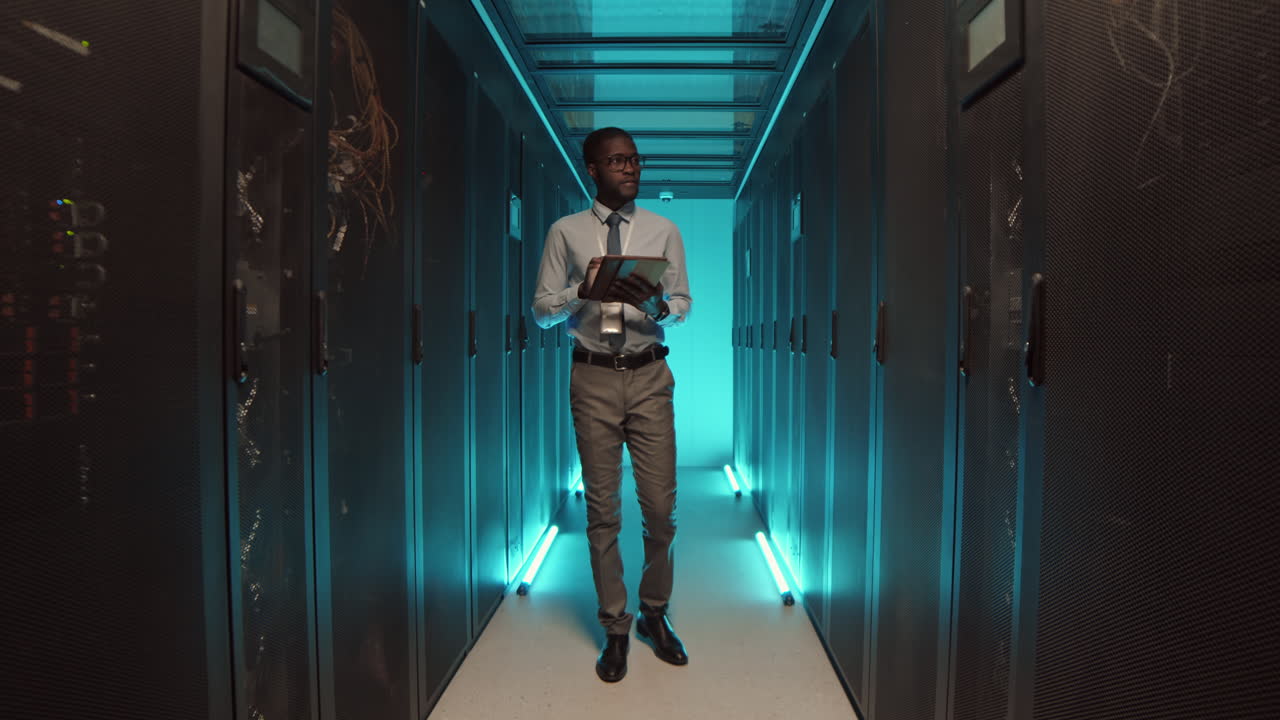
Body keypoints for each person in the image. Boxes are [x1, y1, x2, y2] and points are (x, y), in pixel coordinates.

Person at [532, 127, 692, 683]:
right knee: (602, 512)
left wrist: (662, 307)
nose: (630, 167)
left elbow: (683, 302)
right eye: (617, 160)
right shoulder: (566, 232)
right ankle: (616, 627)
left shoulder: (663, 229)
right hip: (593, 379)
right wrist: (585, 292)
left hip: (650, 377)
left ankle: (654, 613)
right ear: (592, 170)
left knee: (659, 509)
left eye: (635, 159)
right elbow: (541, 311)